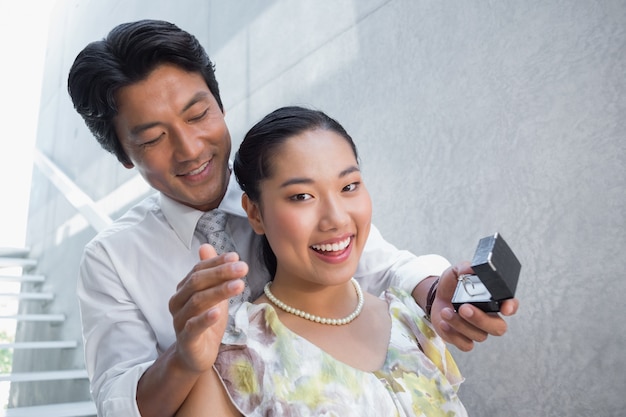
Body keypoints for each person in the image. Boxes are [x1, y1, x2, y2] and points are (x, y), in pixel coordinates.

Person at [67, 19, 518, 417]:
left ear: (220, 106)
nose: (190, 148)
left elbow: (380, 263)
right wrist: (185, 358)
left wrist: (437, 292)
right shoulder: (111, 259)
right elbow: (117, 400)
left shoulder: (282, 187)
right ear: (124, 155)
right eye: (153, 138)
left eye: (199, 114)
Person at [176, 106, 469, 416]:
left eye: (348, 187)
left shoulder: (409, 317)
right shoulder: (241, 358)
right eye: (302, 196)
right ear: (255, 213)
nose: (336, 218)